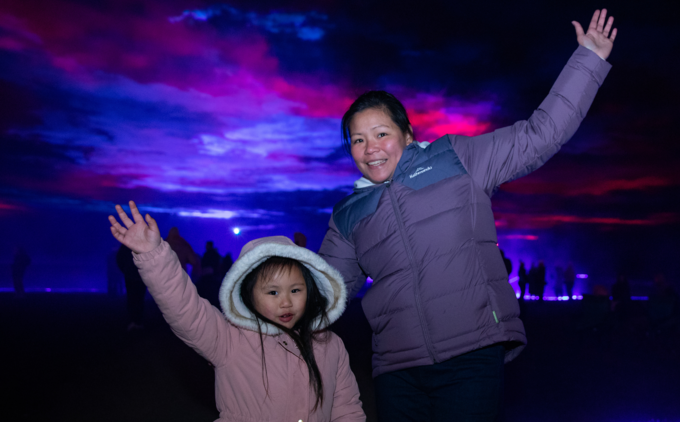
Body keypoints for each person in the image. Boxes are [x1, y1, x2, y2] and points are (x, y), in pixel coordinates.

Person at [318, 9, 616, 420]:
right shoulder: (348, 213)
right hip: (396, 370)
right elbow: (325, 292)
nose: (370, 148)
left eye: (381, 133)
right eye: (357, 140)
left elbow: (538, 135)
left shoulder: (455, 158)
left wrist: (589, 60)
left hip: (471, 353)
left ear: (407, 134)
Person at [109, 201, 365, 421]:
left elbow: (347, 407)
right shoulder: (229, 340)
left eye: (296, 290)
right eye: (273, 292)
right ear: (248, 295)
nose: (286, 302)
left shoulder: (330, 345)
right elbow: (186, 309)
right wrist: (154, 256)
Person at [116, 243, 147, 331]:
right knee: (139, 299)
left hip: (131, 276)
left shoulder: (126, 244)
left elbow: (119, 258)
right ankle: (138, 321)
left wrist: (125, 270)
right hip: (140, 277)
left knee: (132, 299)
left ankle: (134, 321)